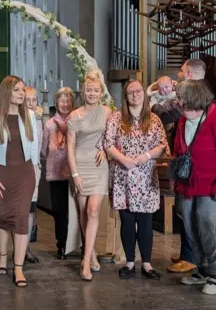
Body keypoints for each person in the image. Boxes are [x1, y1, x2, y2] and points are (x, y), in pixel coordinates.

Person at [174, 80, 216, 295]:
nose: (178, 102)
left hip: (215, 185)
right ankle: (203, 270)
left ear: (194, 99)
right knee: (190, 226)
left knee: (208, 226)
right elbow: (179, 151)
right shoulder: (183, 122)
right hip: (189, 185)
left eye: (181, 98)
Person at [102, 79, 168, 281]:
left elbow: (162, 144)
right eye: (131, 92)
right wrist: (123, 159)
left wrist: (146, 156)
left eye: (138, 91)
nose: (135, 95)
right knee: (128, 221)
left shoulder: (154, 119)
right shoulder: (116, 118)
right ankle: (130, 262)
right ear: (126, 96)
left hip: (146, 176)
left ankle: (147, 263)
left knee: (146, 222)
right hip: (123, 175)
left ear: (143, 94)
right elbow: (108, 143)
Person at [0, 75, 39, 287]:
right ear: (7, 92)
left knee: (22, 218)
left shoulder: (30, 116)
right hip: (1, 172)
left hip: (24, 173)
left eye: (23, 90)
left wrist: (34, 173)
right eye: (17, 90)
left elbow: (34, 146)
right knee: (5, 217)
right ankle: (3, 256)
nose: (21, 94)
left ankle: (18, 268)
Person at [154, 59, 207, 274]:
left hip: (193, 162)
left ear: (190, 74)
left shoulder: (193, 94)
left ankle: (192, 256)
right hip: (186, 158)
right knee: (183, 207)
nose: (178, 74)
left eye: (182, 71)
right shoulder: (194, 91)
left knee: (188, 209)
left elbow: (165, 114)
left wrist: (154, 105)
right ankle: (187, 252)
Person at [66, 71, 112, 281]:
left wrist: (105, 150)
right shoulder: (74, 115)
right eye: (88, 90)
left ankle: (85, 261)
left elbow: (113, 138)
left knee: (94, 211)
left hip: (99, 166)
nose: (91, 94)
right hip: (80, 165)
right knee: (84, 212)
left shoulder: (108, 112)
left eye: (95, 90)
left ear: (101, 93)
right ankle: (91, 252)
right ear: (83, 92)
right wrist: (74, 173)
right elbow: (70, 147)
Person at [41, 87, 75, 260]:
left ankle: (77, 244)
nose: (65, 104)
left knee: (76, 211)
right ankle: (61, 244)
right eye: (61, 101)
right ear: (56, 103)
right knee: (59, 211)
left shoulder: (77, 120)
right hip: (56, 172)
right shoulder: (49, 124)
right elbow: (43, 149)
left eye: (68, 100)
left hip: (75, 172)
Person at [23, 86, 43, 263]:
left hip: (34, 169)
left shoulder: (38, 120)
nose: (30, 104)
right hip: (19, 170)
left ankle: (27, 248)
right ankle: (16, 249)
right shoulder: (18, 120)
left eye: (33, 100)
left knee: (30, 211)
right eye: (27, 100)